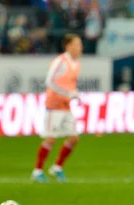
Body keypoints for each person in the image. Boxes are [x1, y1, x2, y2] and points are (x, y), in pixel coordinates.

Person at [31, 33, 82, 183]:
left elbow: (69, 84)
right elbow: (50, 81)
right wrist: (68, 93)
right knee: (51, 138)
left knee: (73, 138)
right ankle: (37, 171)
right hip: (54, 105)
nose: (80, 48)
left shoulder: (76, 63)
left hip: (66, 106)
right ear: (68, 46)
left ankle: (57, 168)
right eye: (78, 44)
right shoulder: (61, 61)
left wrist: (74, 93)